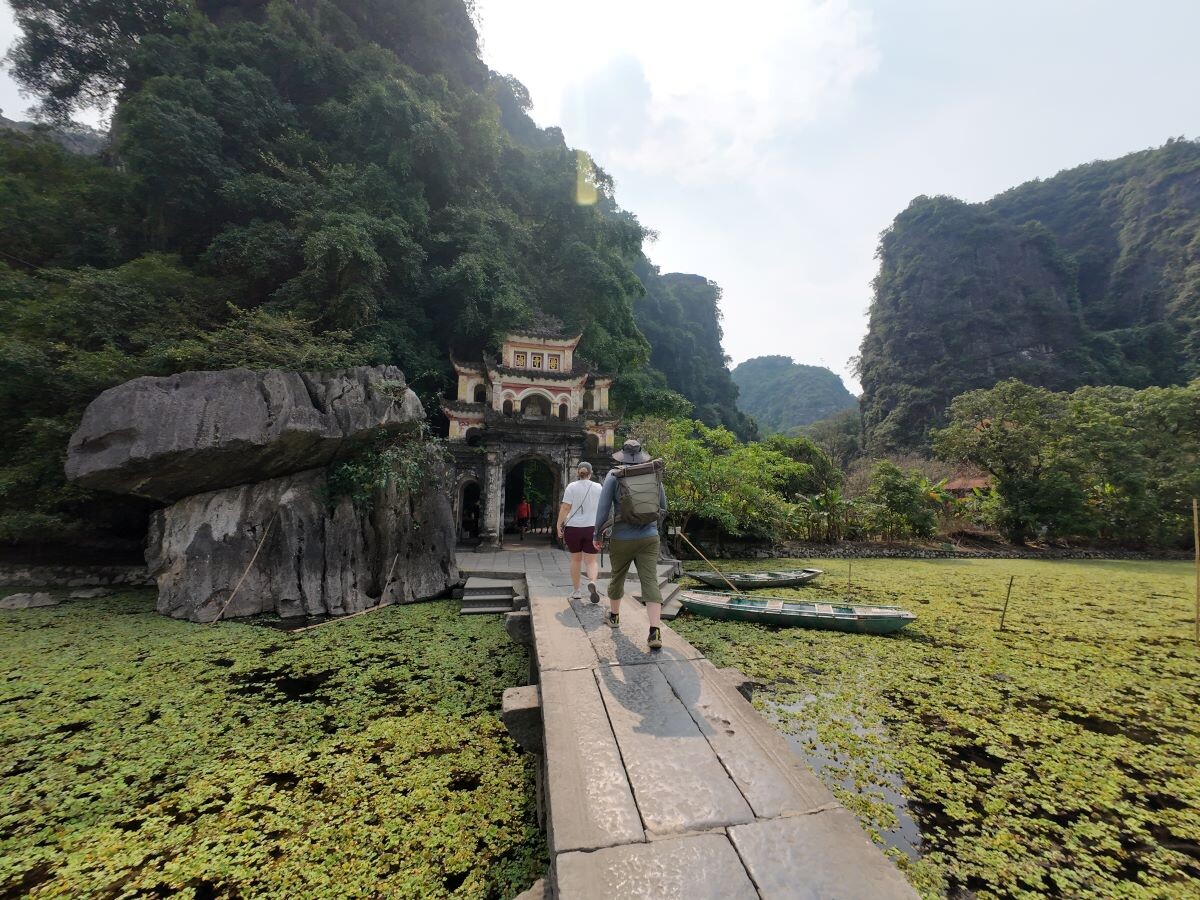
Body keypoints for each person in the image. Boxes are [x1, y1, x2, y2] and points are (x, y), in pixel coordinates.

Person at [593, 438, 668, 650]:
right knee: (650, 581)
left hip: (622, 538)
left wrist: (596, 534)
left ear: (623, 455)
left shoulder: (613, 475)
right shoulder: (653, 473)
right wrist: (651, 526)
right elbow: (663, 506)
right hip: (649, 537)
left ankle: (615, 617)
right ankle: (654, 631)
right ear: (641, 454)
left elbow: (603, 508)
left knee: (617, 577)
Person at [557, 461, 602, 602]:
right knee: (591, 561)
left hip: (573, 529)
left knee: (576, 559)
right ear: (591, 473)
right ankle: (592, 582)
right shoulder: (598, 487)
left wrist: (558, 525)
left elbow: (565, 508)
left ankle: (577, 591)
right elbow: (603, 508)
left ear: (578, 472)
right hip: (592, 528)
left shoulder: (571, 487)